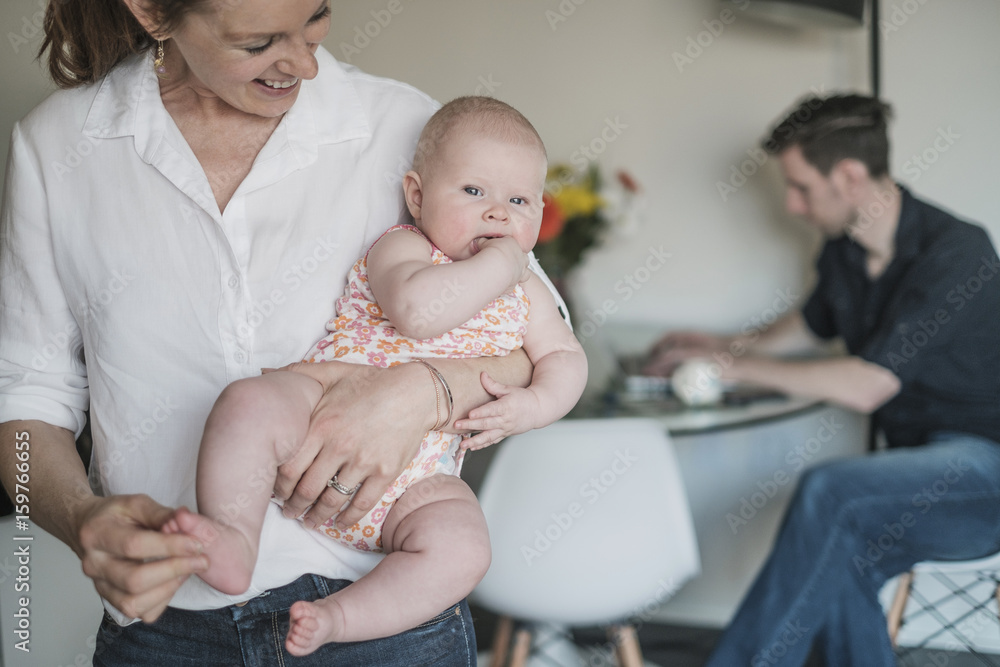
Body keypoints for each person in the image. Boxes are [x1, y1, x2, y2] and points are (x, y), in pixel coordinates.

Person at [0, 1, 568, 664]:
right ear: (153, 13)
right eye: (260, 41)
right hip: (167, 627)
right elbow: (23, 395)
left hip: (386, 615)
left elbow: (538, 336)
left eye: (316, 19)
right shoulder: (60, 148)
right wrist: (78, 519)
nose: (303, 63)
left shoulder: (402, 124)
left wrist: (425, 392)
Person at [165, 96, 588, 656]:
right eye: (473, 191)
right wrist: (502, 264)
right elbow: (417, 313)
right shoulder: (405, 246)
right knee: (248, 402)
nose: (497, 213)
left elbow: (565, 357)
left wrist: (533, 407)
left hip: (419, 485)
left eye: (518, 200)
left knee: (464, 549)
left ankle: (338, 618)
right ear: (417, 196)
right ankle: (233, 539)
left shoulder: (529, 293)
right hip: (325, 404)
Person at [645, 94, 1000, 665]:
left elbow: (869, 384)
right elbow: (806, 327)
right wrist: (716, 347)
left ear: (851, 177)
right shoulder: (844, 253)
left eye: (802, 187)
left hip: (987, 476)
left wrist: (731, 369)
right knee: (836, 555)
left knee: (829, 494)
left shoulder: (957, 253)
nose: (791, 204)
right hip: (912, 481)